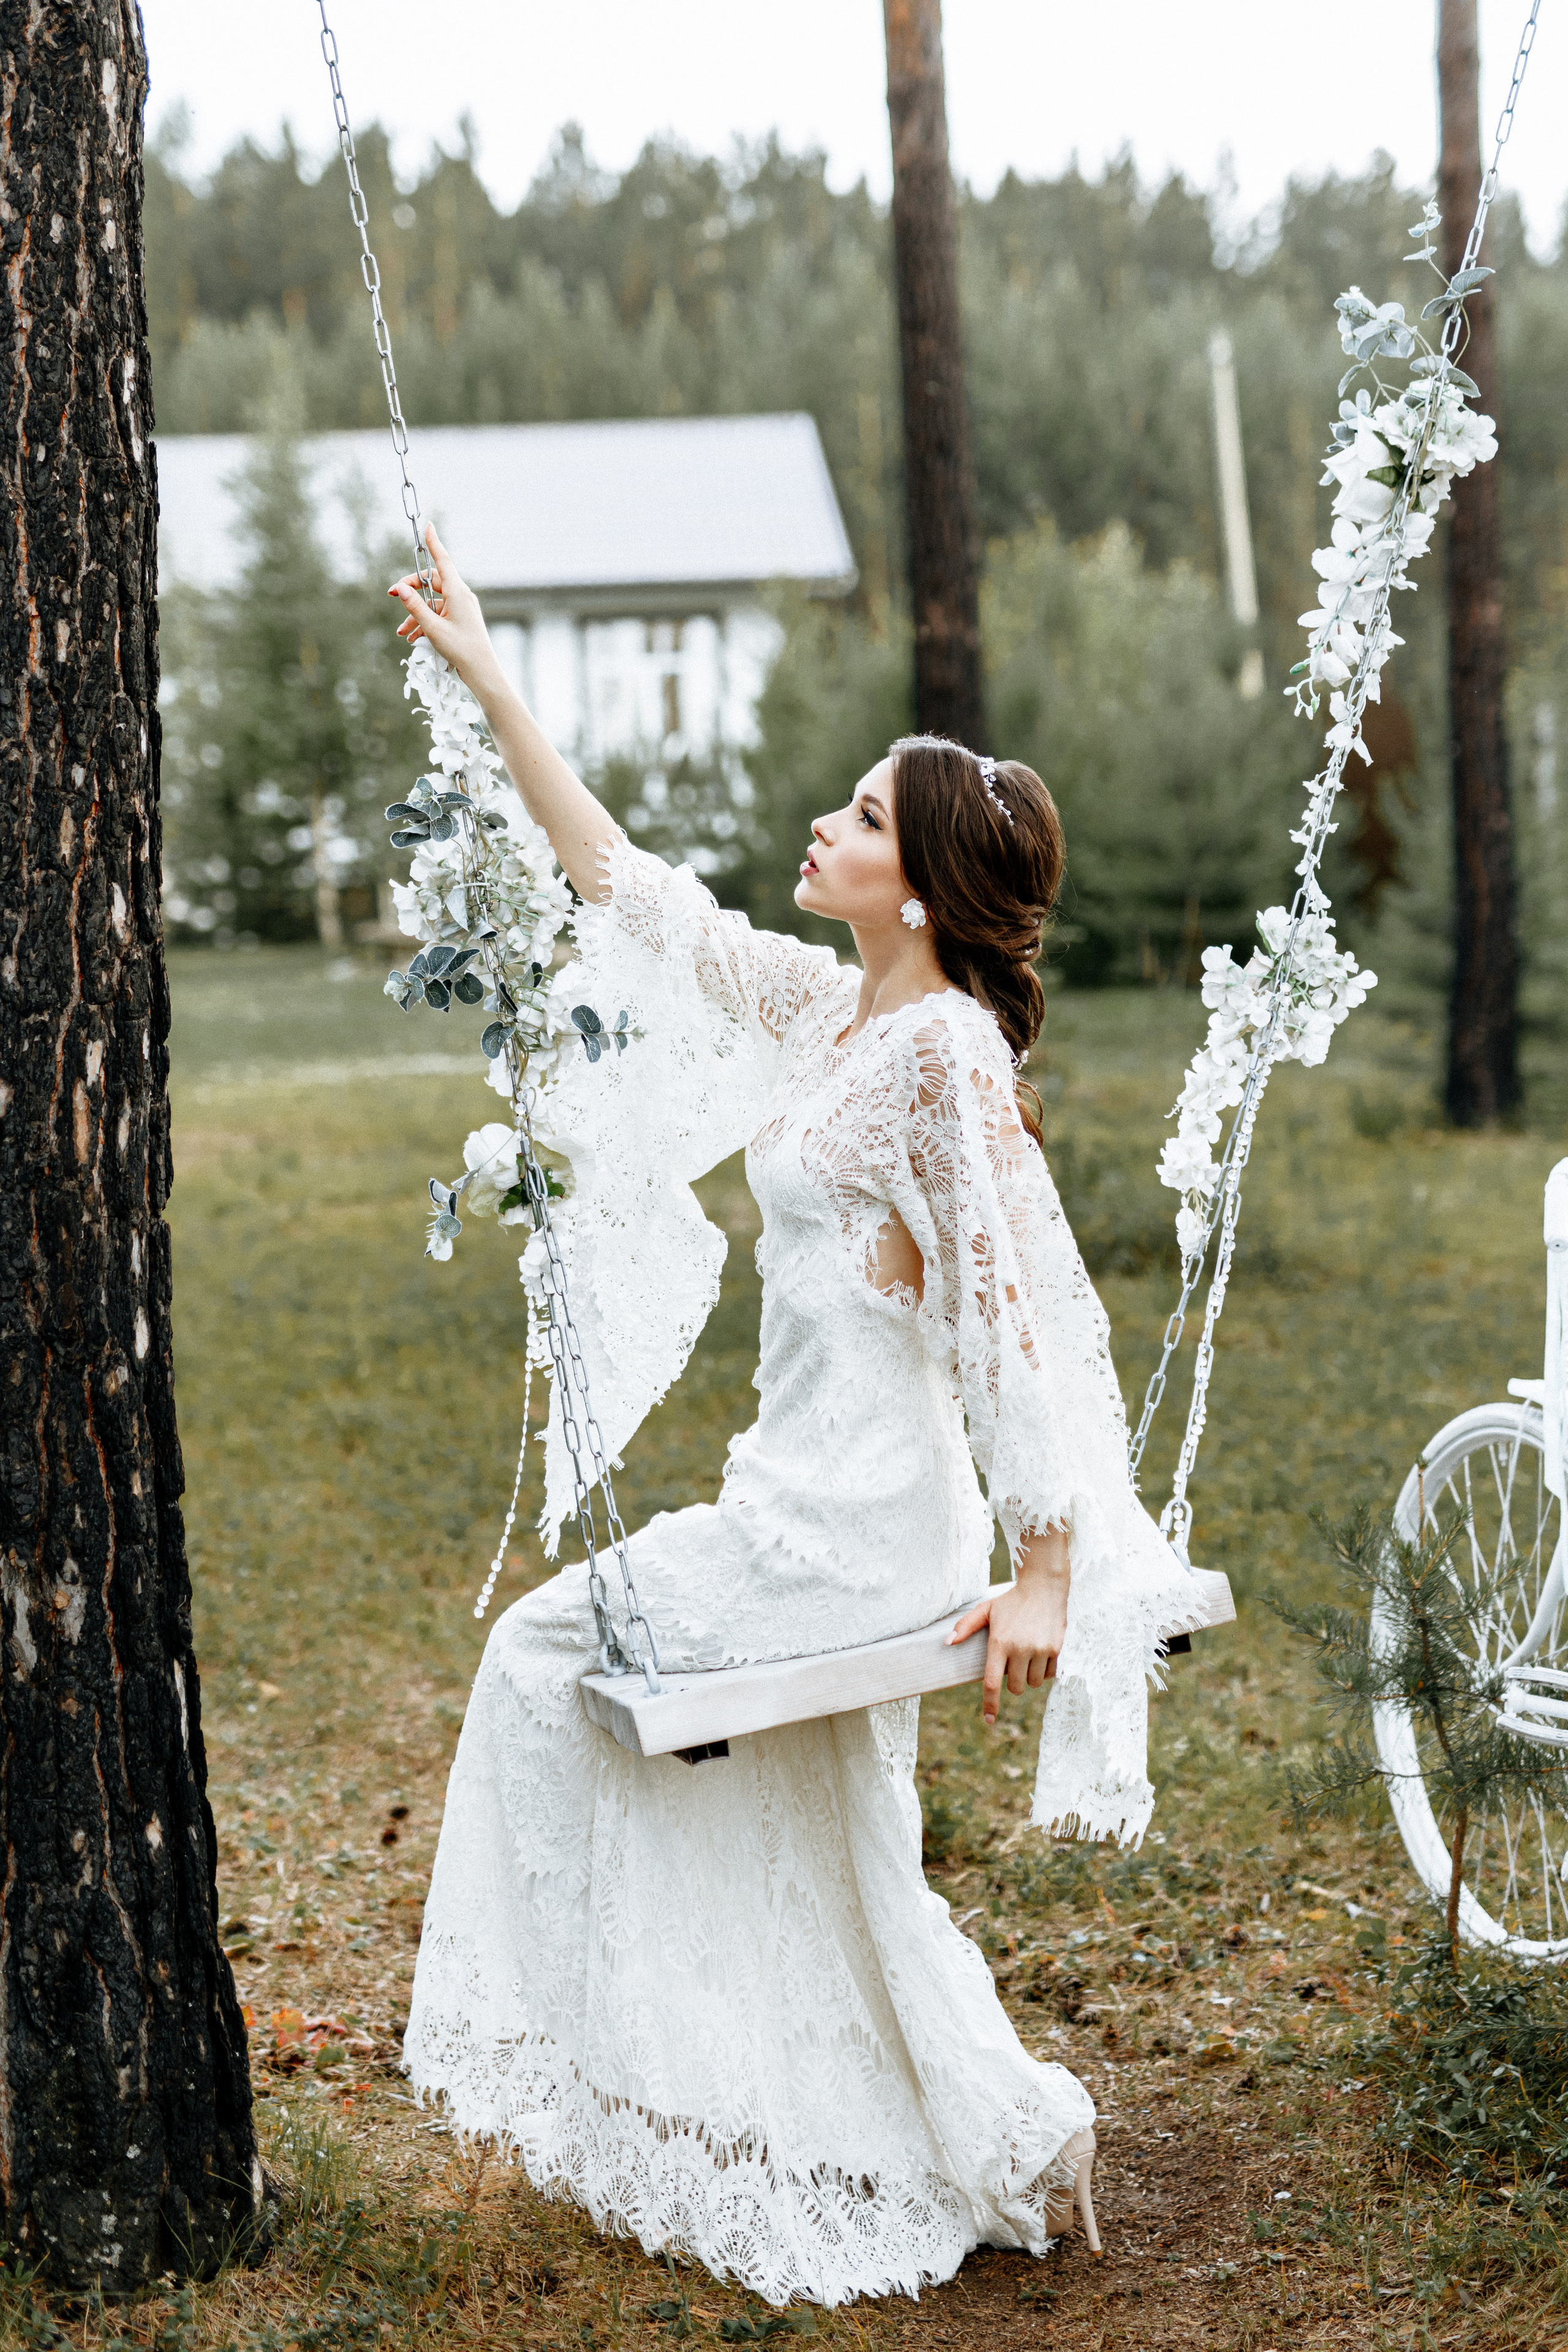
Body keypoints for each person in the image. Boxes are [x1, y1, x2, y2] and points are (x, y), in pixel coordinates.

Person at [391, 529, 1200, 2307]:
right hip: (793, 1502)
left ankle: (639, 2081)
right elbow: (634, 895)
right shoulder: (838, 1015)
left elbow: (1010, 1323)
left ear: (915, 888)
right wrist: (495, 679)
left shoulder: (942, 1058)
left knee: (544, 1662)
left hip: (852, 1531)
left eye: (859, 819)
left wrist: (1051, 1567)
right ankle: (962, 2124)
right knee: (824, 1827)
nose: (825, 830)